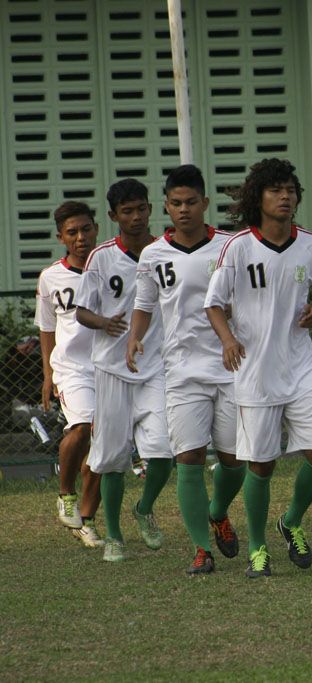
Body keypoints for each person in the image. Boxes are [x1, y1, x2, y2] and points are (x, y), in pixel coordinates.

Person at [205, 158, 312, 578]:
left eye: (291, 190)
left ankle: (292, 520)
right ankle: (258, 547)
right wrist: (228, 339)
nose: (286, 197)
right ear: (257, 197)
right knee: (261, 464)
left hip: (300, 367)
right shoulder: (238, 246)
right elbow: (213, 303)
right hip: (255, 372)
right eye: (276, 190)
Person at [127, 165, 244, 575]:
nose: (183, 209)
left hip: (231, 366)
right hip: (181, 370)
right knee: (188, 459)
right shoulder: (153, 254)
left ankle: (218, 512)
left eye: (191, 202)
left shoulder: (230, 247)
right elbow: (143, 306)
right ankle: (201, 550)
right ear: (167, 207)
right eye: (175, 203)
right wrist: (134, 337)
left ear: (205, 203)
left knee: (235, 462)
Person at [76, 179, 174, 562]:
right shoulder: (101, 258)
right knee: (112, 458)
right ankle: (114, 536)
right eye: (126, 211)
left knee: (165, 452)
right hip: (112, 369)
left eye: (141, 209)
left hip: (157, 365)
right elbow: (81, 310)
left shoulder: (165, 250)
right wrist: (104, 323)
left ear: (151, 209)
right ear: (113, 216)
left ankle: (144, 507)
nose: (135, 217)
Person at [34, 201, 102, 547]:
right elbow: (47, 329)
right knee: (83, 426)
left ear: (97, 229)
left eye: (85, 229)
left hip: (111, 368)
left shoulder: (110, 266)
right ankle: (65, 493)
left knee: (106, 450)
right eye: (72, 232)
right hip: (72, 369)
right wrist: (48, 375)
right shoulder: (51, 277)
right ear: (61, 237)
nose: (80, 238)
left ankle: (87, 520)